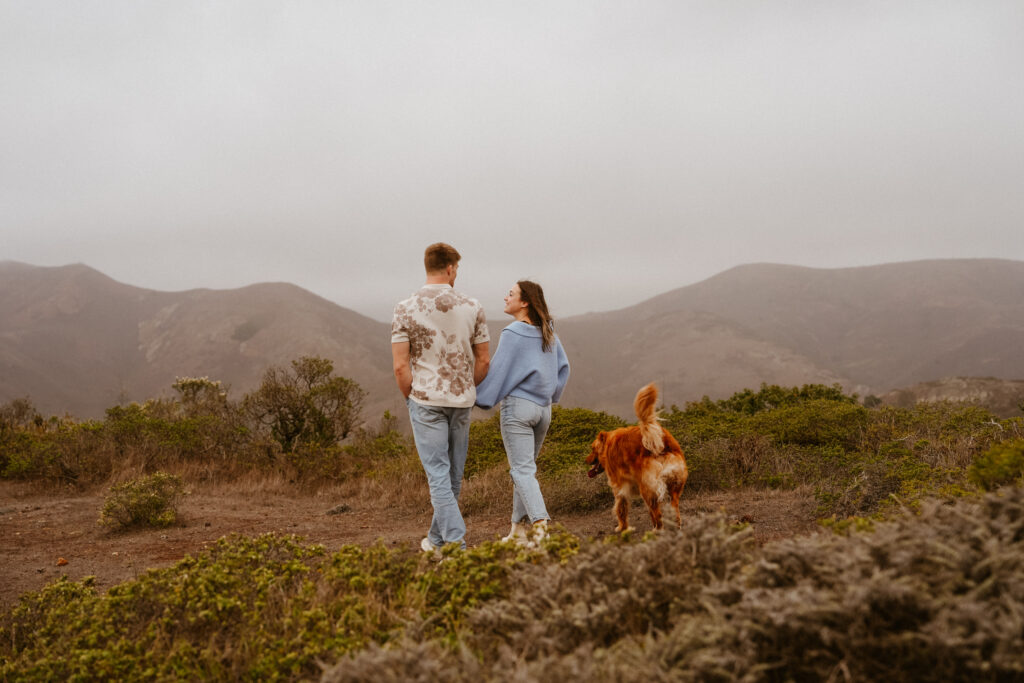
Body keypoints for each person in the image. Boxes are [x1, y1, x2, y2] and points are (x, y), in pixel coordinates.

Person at [392, 243, 490, 552]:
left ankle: (451, 544)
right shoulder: (473, 306)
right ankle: (440, 541)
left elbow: (399, 365)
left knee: (438, 475)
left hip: (425, 399)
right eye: (456, 269)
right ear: (449, 268)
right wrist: (466, 386)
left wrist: (412, 397)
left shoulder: (404, 307)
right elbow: (484, 360)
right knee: (452, 476)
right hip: (460, 401)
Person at [475, 280, 570, 546]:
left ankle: (540, 530)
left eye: (511, 294)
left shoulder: (513, 332)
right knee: (526, 470)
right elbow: (564, 368)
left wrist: (477, 397)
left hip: (518, 408)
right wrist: (551, 395)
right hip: (544, 410)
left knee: (521, 471)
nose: (506, 297)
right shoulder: (548, 331)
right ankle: (518, 530)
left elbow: (498, 371)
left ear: (524, 301)